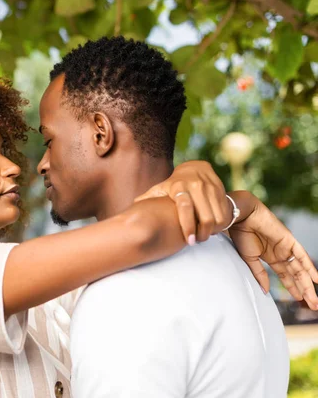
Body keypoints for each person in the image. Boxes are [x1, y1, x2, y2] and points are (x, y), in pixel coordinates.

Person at [0, 45, 318, 397]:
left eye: (8, 150)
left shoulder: (41, 281)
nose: (15, 167)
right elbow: (141, 231)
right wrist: (235, 204)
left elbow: (128, 233)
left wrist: (212, 188)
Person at [42, 37, 318, 397]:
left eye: (48, 141)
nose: (42, 163)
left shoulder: (125, 297)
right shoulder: (238, 263)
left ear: (100, 132)